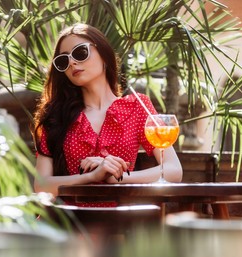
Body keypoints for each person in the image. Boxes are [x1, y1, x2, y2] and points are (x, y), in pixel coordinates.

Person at [33, 23, 182, 197]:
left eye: (80, 53)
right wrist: (92, 176)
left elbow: (173, 170)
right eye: (63, 60)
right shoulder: (56, 115)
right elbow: (41, 185)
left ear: (103, 54)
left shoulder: (136, 107)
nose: (72, 62)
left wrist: (114, 177)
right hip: (69, 220)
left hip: (120, 219)